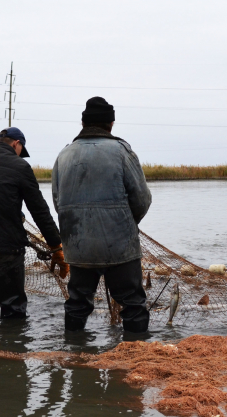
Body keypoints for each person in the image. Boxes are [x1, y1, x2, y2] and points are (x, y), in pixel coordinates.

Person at [53, 97, 153, 333]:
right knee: (133, 305)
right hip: (118, 247)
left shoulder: (63, 156)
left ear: (83, 122)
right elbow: (142, 199)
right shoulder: (121, 151)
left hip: (78, 248)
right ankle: (135, 358)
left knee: (77, 304)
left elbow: (59, 202)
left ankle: (75, 358)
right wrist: (126, 224)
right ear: (111, 124)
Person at [0, 127, 66, 318]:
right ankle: (12, 344)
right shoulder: (19, 166)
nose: (20, 155)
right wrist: (56, 247)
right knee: (13, 309)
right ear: (16, 143)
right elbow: (39, 210)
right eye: (21, 150)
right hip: (9, 246)